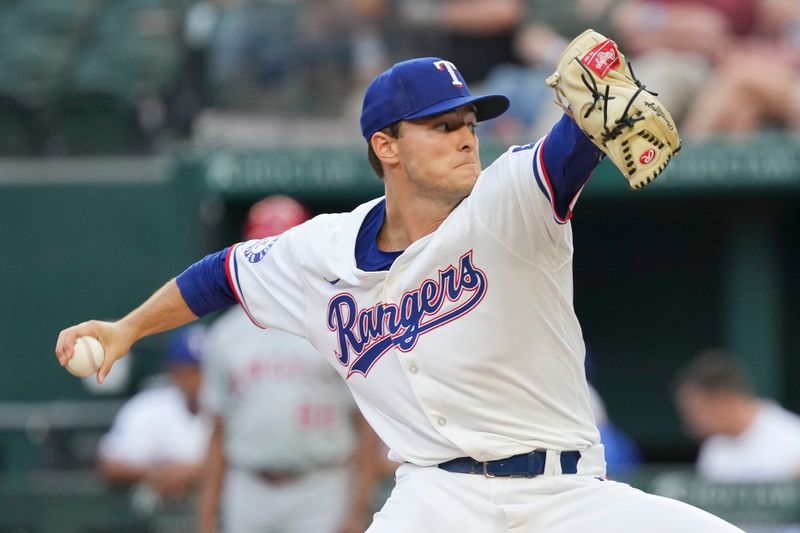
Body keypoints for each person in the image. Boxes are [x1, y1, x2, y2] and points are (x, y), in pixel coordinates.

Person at [58, 50, 744, 531]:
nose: (464, 139)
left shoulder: (507, 201)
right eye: (442, 126)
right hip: (437, 498)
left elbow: (566, 154)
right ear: (386, 146)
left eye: (469, 124)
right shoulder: (319, 251)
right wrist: (125, 328)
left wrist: (595, 115)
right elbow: (221, 273)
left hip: (566, 493)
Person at [197, 195, 382, 533]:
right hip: (249, 483)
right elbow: (218, 429)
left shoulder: (338, 321)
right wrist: (207, 515)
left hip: (322, 484)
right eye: (264, 250)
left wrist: (358, 507)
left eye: (281, 250)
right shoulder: (226, 333)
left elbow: (366, 425)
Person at [97, 325, 212, 505]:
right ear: (174, 370)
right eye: (190, 370)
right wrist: (155, 473)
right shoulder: (149, 406)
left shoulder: (236, 408)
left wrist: (193, 472)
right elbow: (110, 466)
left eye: (203, 370)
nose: (198, 379)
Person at [674, 349, 800, 482]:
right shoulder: (713, 448)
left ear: (725, 398)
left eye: (697, 410)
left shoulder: (793, 436)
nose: (691, 421)